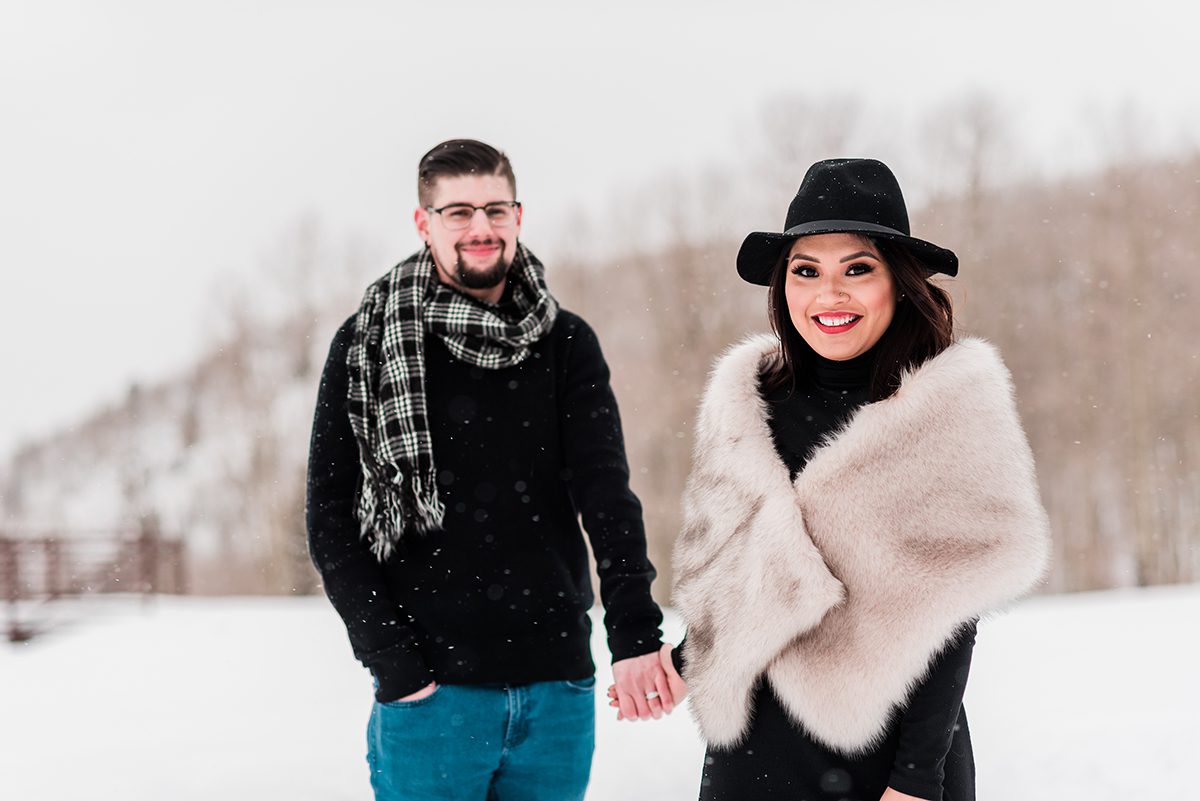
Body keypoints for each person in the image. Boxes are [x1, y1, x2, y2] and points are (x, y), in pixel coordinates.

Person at [612, 158, 1050, 800]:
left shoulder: (947, 407)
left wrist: (916, 780)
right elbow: (741, 580)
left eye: (858, 269)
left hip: (891, 757)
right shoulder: (747, 407)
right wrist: (685, 665)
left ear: (898, 284)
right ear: (783, 288)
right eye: (807, 271)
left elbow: (952, 622)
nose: (829, 295)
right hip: (753, 756)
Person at [307, 138, 674, 801]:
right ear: (424, 223)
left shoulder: (565, 342)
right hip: (432, 698)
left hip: (556, 692)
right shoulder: (369, 341)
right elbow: (330, 518)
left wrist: (633, 634)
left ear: (518, 216)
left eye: (495, 209)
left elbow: (607, 497)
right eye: (458, 212)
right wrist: (395, 664)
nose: (480, 228)